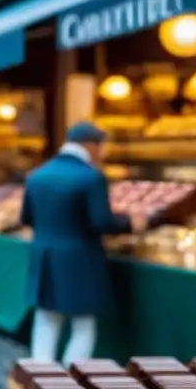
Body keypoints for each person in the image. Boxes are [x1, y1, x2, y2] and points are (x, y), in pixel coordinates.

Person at [23, 122, 144, 363]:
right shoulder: (91, 177)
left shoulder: (37, 175)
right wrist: (132, 222)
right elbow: (101, 222)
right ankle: (72, 383)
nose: (102, 152)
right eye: (101, 146)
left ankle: (41, 379)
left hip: (45, 256)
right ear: (90, 145)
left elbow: (27, 218)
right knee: (84, 325)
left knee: (46, 321)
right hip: (81, 259)